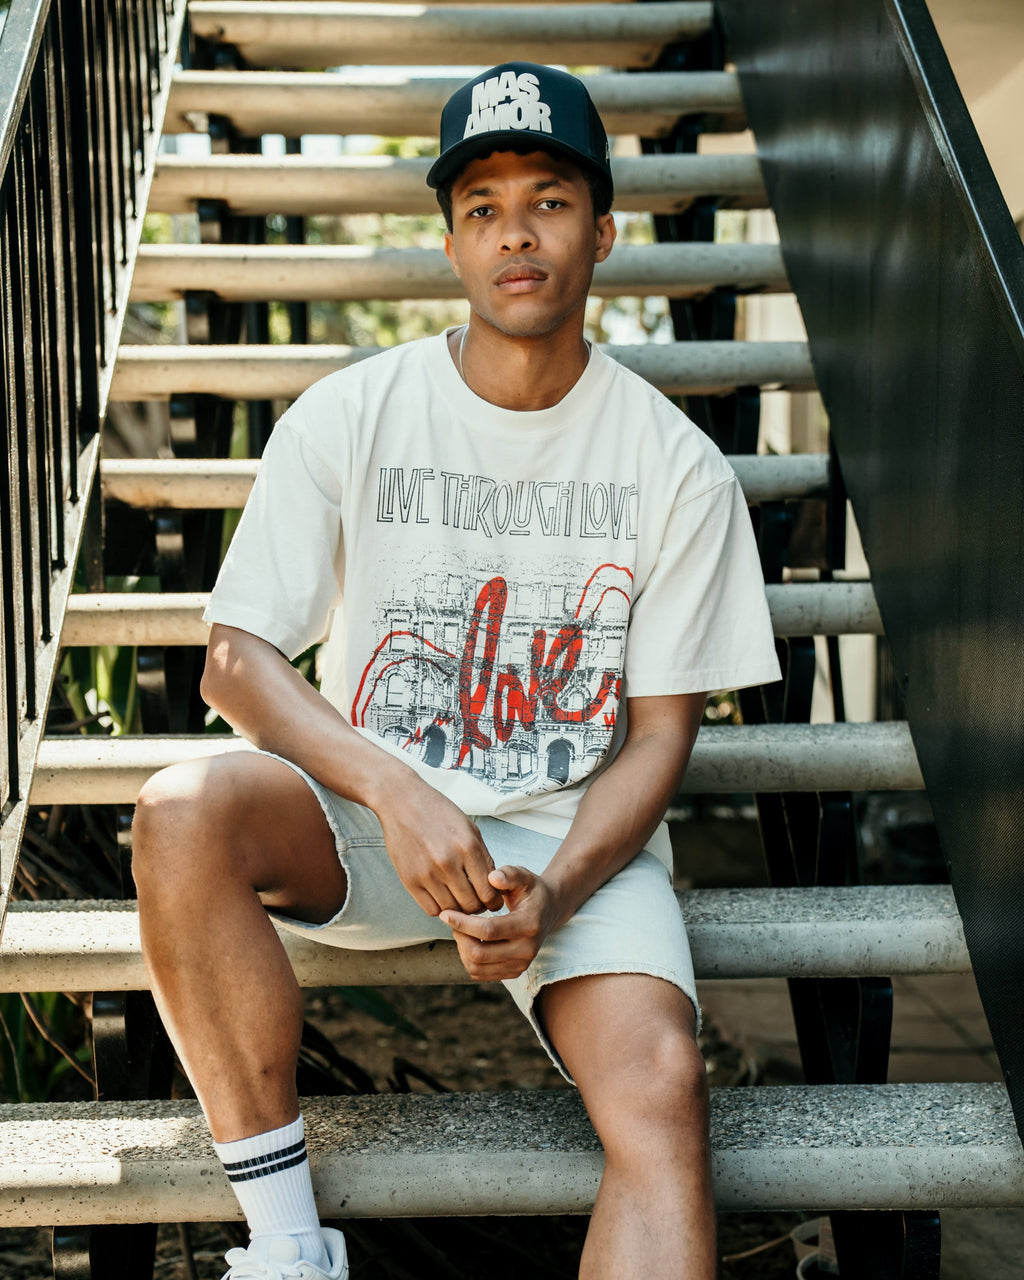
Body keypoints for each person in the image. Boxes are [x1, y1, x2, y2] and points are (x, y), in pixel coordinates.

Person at [132, 61, 781, 1280]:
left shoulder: (674, 465)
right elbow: (235, 658)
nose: (515, 233)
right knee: (181, 811)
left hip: (566, 832)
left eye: (545, 198)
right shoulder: (353, 412)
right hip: (371, 821)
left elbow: (656, 736)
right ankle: (285, 1246)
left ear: (601, 227)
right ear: (447, 242)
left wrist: (565, 887)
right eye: (481, 207)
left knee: (662, 1088)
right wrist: (395, 789)